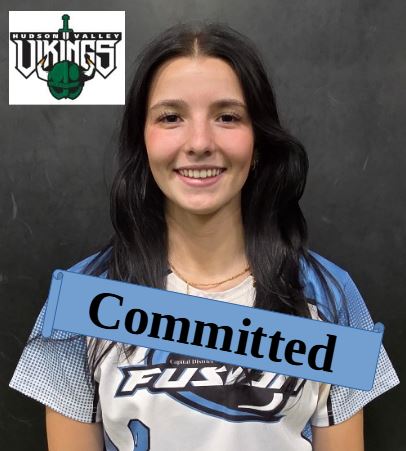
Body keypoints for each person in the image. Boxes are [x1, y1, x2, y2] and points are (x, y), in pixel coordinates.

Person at [9, 21, 399, 451]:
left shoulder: (331, 296)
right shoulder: (80, 300)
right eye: (171, 117)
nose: (199, 142)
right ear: (143, 140)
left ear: (258, 143)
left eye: (227, 117)